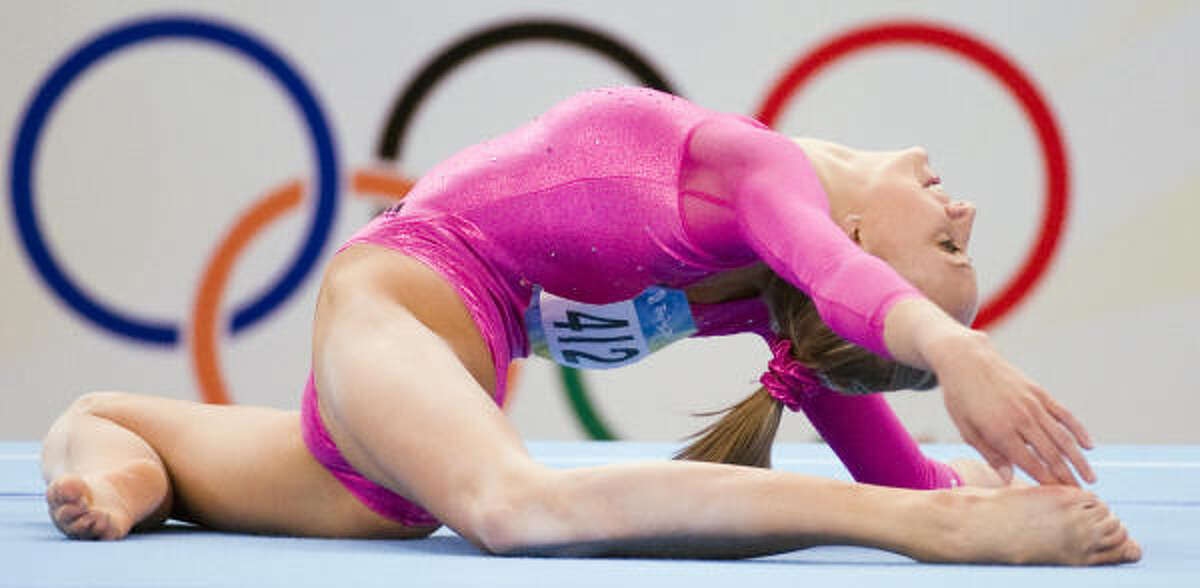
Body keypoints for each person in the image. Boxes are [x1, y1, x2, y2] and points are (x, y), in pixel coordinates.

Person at [42, 87, 1140, 565]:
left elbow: (855, 365)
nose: (965, 210)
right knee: (517, 510)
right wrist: (944, 491)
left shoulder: (774, 287)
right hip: (399, 297)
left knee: (362, 508)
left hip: (439, 379)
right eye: (954, 238)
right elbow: (840, 283)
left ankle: (122, 473)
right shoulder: (755, 169)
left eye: (949, 243)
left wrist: (973, 484)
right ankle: (925, 541)